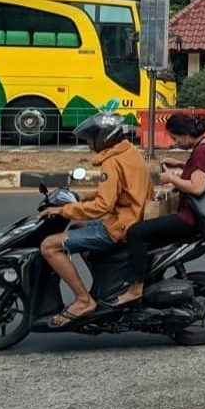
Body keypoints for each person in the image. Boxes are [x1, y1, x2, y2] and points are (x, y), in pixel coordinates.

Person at [39, 112, 153, 328]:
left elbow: (103, 206)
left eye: (91, 138)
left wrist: (64, 210)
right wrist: (82, 198)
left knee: (49, 246)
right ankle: (105, 286)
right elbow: (116, 191)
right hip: (131, 216)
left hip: (119, 225)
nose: (89, 143)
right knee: (78, 226)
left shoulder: (112, 162)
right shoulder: (129, 152)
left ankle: (83, 300)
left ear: (104, 137)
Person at [111, 113, 205, 307]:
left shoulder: (201, 152)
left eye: (175, 138)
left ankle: (134, 290)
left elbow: (197, 187)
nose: (175, 142)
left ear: (184, 134)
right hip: (201, 215)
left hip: (191, 218)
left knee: (136, 233)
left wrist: (172, 179)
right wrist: (182, 164)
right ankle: (152, 279)